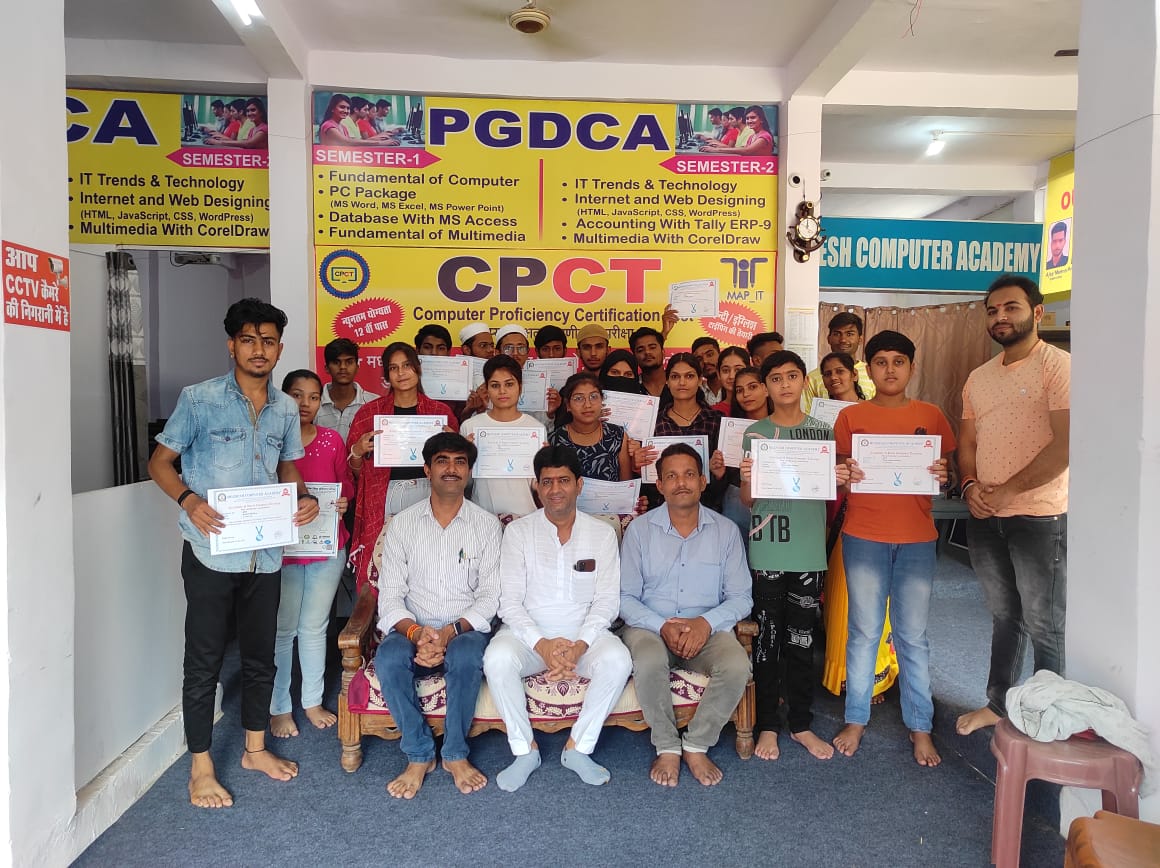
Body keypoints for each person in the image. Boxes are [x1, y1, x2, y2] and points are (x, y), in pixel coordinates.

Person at [148, 298, 318, 809]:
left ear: (279, 349)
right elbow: (160, 462)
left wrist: (304, 497)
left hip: (265, 553)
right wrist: (189, 500)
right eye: (248, 340)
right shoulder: (199, 400)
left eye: (268, 341)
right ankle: (200, 766)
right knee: (204, 660)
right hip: (211, 552)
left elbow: (287, 466)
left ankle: (254, 749)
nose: (258, 349)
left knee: (261, 655)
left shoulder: (284, 408)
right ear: (232, 346)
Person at [831, 330, 955, 767]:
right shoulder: (851, 417)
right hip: (864, 536)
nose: (890, 370)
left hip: (917, 539)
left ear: (911, 368)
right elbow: (838, 473)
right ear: (868, 369)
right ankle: (856, 718)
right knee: (864, 632)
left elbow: (946, 474)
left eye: (898, 362)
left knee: (912, 636)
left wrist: (944, 476)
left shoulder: (931, 416)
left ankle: (920, 726)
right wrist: (843, 474)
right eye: (880, 362)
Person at [954, 275, 1070, 737]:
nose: (1000, 317)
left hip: (1039, 515)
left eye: (1011, 308)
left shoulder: (1058, 367)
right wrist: (969, 485)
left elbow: (1064, 447)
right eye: (992, 310)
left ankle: (1048, 715)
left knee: (1045, 622)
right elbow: (967, 442)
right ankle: (999, 704)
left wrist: (1007, 491)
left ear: (1036, 312)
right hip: (985, 515)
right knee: (1006, 616)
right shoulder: (979, 378)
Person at [483, 446, 632, 791]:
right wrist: (543, 645)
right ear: (536, 486)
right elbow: (509, 603)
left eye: (563, 480)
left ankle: (578, 748)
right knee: (497, 658)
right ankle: (524, 751)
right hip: (528, 637)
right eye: (547, 481)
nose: (555, 489)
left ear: (579, 484)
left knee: (618, 659)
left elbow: (607, 602)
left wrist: (580, 645)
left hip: (585, 636)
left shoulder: (601, 533)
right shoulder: (518, 532)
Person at [374, 432, 502, 798]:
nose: (451, 469)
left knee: (466, 655)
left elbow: (490, 596)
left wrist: (449, 632)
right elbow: (391, 595)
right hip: (412, 626)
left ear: (469, 471)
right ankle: (419, 754)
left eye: (460, 462)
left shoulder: (487, 525)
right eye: (442, 461)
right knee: (389, 657)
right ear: (427, 470)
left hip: (464, 629)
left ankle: (455, 754)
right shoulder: (402, 524)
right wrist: (417, 634)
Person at [738, 352, 851, 761]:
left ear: (805, 381)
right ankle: (768, 724)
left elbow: (830, 493)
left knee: (802, 642)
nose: (784, 384)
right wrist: (747, 478)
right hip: (767, 548)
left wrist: (840, 479)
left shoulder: (823, 432)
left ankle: (801, 724)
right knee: (767, 641)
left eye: (791, 376)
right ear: (765, 386)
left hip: (807, 550)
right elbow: (750, 500)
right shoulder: (755, 433)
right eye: (775, 378)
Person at [619, 444, 752, 787]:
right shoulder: (639, 531)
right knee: (649, 659)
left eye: (690, 474)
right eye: (672, 476)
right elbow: (624, 597)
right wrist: (662, 625)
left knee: (737, 665)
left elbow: (741, 598)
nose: (681, 483)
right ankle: (666, 746)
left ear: (703, 482)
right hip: (651, 626)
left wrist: (705, 624)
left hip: (706, 628)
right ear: (659, 485)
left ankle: (696, 745)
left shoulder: (725, 531)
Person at [269, 369, 354, 739]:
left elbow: (345, 483)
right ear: (283, 397)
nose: (305, 403)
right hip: (283, 548)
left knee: (315, 626)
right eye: (297, 395)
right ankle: (279, 707)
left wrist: (344, 499)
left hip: (326, 546)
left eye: (314, 396)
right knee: (283, 628)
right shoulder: (269, 440)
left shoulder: (331, 440)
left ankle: (312, 701)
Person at [346, 343, 458, 591]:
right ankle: (385, 614)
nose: (401, 373)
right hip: (385, 497)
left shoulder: (440, 413)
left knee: (427, 564)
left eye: (407, 365)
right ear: (386, 375)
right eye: (393, 368)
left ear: (418, 368)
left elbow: (457, 468)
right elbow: (354, 473)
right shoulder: (369, 413)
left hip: (429, 495)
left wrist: (453, 443)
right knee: (385, 567)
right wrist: (357, 451)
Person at [818, 352, 897, 705]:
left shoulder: (873, 413)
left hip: (868, 512)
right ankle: (843, 672)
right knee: (836, 593)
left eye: (840, 371)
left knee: (869, 596)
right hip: (829, 508)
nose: (834, 377)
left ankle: (874, 675)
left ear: (854, 374)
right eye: (827, 373)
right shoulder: (819, 419)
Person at [459, 355, 545, 518]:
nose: (502, 391)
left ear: (520, 387)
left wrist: (544, 472)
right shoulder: (470, 427)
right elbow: (465, 483)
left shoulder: (536, 428)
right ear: (486, 389)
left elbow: (537, 484)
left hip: (525, 517)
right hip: (482, 517)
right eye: (495, 385)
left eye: (509, 384)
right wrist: (464, 459)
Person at [708, 365, 769, 538]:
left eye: (752, 387)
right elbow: (717, 488)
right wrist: (718, 474)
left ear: (766, 389)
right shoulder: (729, 430)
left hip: (774, 502)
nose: (746, 394)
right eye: (740, 390)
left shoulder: (783, 428)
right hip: (736, 504)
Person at [551, 372, 633, 481]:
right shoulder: (555, 439)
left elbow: (626, 485)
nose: (588, 405)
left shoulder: (618, 435)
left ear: (602, 400)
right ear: (568, 405)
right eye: (578, 398)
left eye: (593, 397)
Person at [804, 312, 875, 408]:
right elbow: (808, 414)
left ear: (860, 339)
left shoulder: (872, 373)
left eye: (849, 334)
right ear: (828, 339)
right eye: (837, 334)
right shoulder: (812, 378)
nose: (843, 340)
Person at [316, 338, 378, 442]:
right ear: (327, 368)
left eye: (349, 362)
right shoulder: (313, 403)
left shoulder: (374, 404)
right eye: (336, 362)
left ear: (357, 367)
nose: (343, 367)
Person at [700, 106, 774, 156]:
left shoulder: (764, 136)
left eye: (753, 117)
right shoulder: (752, 136)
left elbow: (747, 151)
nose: (749, 121)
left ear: (761, 119)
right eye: (747, 118)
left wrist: (715, 150)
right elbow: (740, 149)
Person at [458, 322, 495, 421]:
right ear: (467, 350)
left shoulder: (498, 373)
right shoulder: (456, 376)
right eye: (483, 345)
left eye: (492, 345)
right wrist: (470, 409)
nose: (490, 350)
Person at [630, 326, 667, 397]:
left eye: (652, 347)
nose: (647, 352)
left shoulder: (678, 382)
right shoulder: (630, 388)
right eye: (640, 350)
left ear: (663, 352)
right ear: (634, 357)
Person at [712, 346, 750, 412]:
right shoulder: (711, 412)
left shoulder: (758, 408)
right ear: (718, 374)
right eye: (725, 370)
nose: (731, 376)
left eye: (738, 370)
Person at [691, 336, 723, 404]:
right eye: (699, 359)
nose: (705, 361)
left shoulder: (734, 388)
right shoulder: (695, 393)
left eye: (710, 355)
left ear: (720, 355)